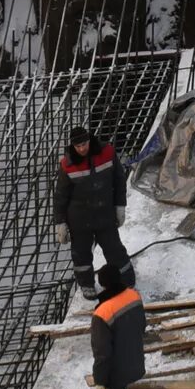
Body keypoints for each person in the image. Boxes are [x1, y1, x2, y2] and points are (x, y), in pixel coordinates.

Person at [88, 259, 155, 389]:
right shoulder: (133, 296)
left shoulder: (102, 312)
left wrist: (100, 380)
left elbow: (102, 353)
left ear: (103, 284)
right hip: (135, 360)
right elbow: (141, 326)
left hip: (116, 368)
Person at [52, 123, 128, 296]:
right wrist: (60, 223)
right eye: (77, 146)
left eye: (84, 144)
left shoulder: (107, 153)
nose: (81, 149)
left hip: (105, 214)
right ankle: (86, 285)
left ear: (89, 140)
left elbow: (119, 179)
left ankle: (126, 280)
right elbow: (60, 197)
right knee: (81, 255)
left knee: (114, 249)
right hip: (79, 220)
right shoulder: (67, 165)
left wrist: (120, 205)